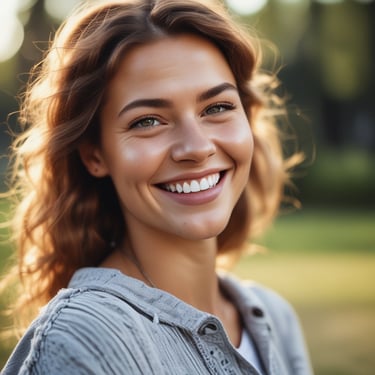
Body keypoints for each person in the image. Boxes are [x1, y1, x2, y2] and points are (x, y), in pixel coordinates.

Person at [1, 0, 313, 374]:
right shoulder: (85, 337)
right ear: (94, 155)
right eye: (148, 120)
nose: (197, 148)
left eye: (216, 108)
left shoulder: (274, 318)